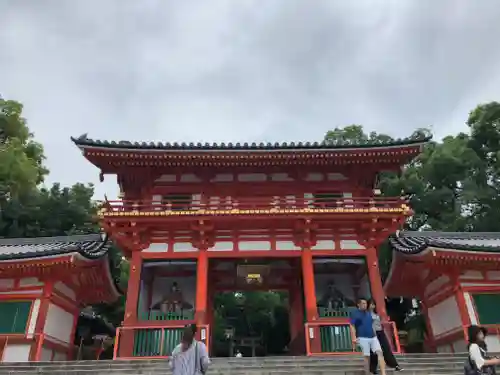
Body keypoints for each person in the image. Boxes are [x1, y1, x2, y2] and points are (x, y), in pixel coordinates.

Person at [350, 298, 386, 375]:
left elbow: (372, 325)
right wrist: (353, 338)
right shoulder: (355, 313)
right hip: (362, 337)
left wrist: (375, 334)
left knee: (380, 353)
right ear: (358, 304)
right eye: (363, 303)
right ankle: (367, 373)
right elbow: (352, 326)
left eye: (366, 303)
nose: (365, 305)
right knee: (366, 357)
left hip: (373, 337)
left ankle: (384, 373)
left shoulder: (369, 313)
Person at [368, 299, 402, 374]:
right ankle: (373, 369)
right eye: (371, 304)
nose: (372, 306)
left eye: (373, 304)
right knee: (374, 352)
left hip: (380, 332)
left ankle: (395, 365)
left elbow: (380, 323)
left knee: (386, 348)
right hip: (372, 333)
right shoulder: (366, 314)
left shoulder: (376, 314)